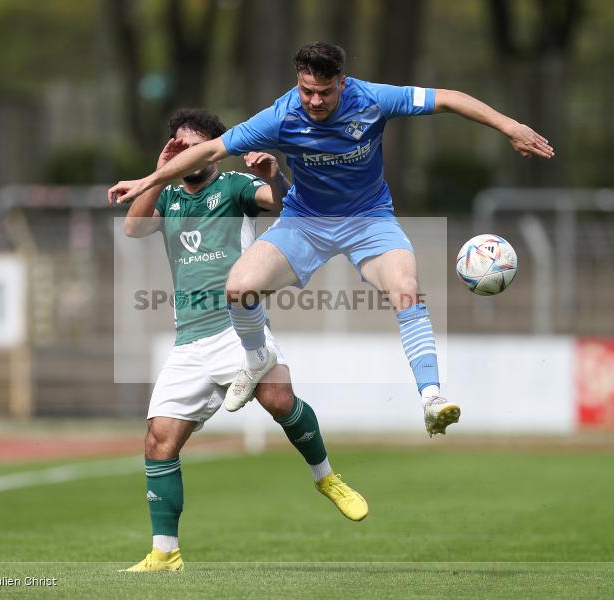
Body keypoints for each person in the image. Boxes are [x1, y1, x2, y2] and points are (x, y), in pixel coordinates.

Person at [109, 42, 554, 440]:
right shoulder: (281, 115)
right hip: (306, 220)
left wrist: (509, 126)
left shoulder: (373, 99)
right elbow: (208, 151)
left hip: (368, 220)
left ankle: (432, 398)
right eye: (307, 91)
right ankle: (256, 359)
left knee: (405, 289)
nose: (315, 101)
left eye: (324, 91)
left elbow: (450, 99)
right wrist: (148, 179)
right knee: (239, 287)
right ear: (297, 84)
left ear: (343, 82)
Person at [113, 108, 368, 573]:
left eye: (194, 146)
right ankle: (165, 553)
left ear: (214, 149)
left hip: (236, 328)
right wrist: (156, 170)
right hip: (188, 342)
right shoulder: (168, 194)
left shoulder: (233, 186)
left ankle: (326, 478)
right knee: (158, 441)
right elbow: (133, 227)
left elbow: (286, 204)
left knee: (277, 399)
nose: (186, 153)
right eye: (179, 145)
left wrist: (276, 173)